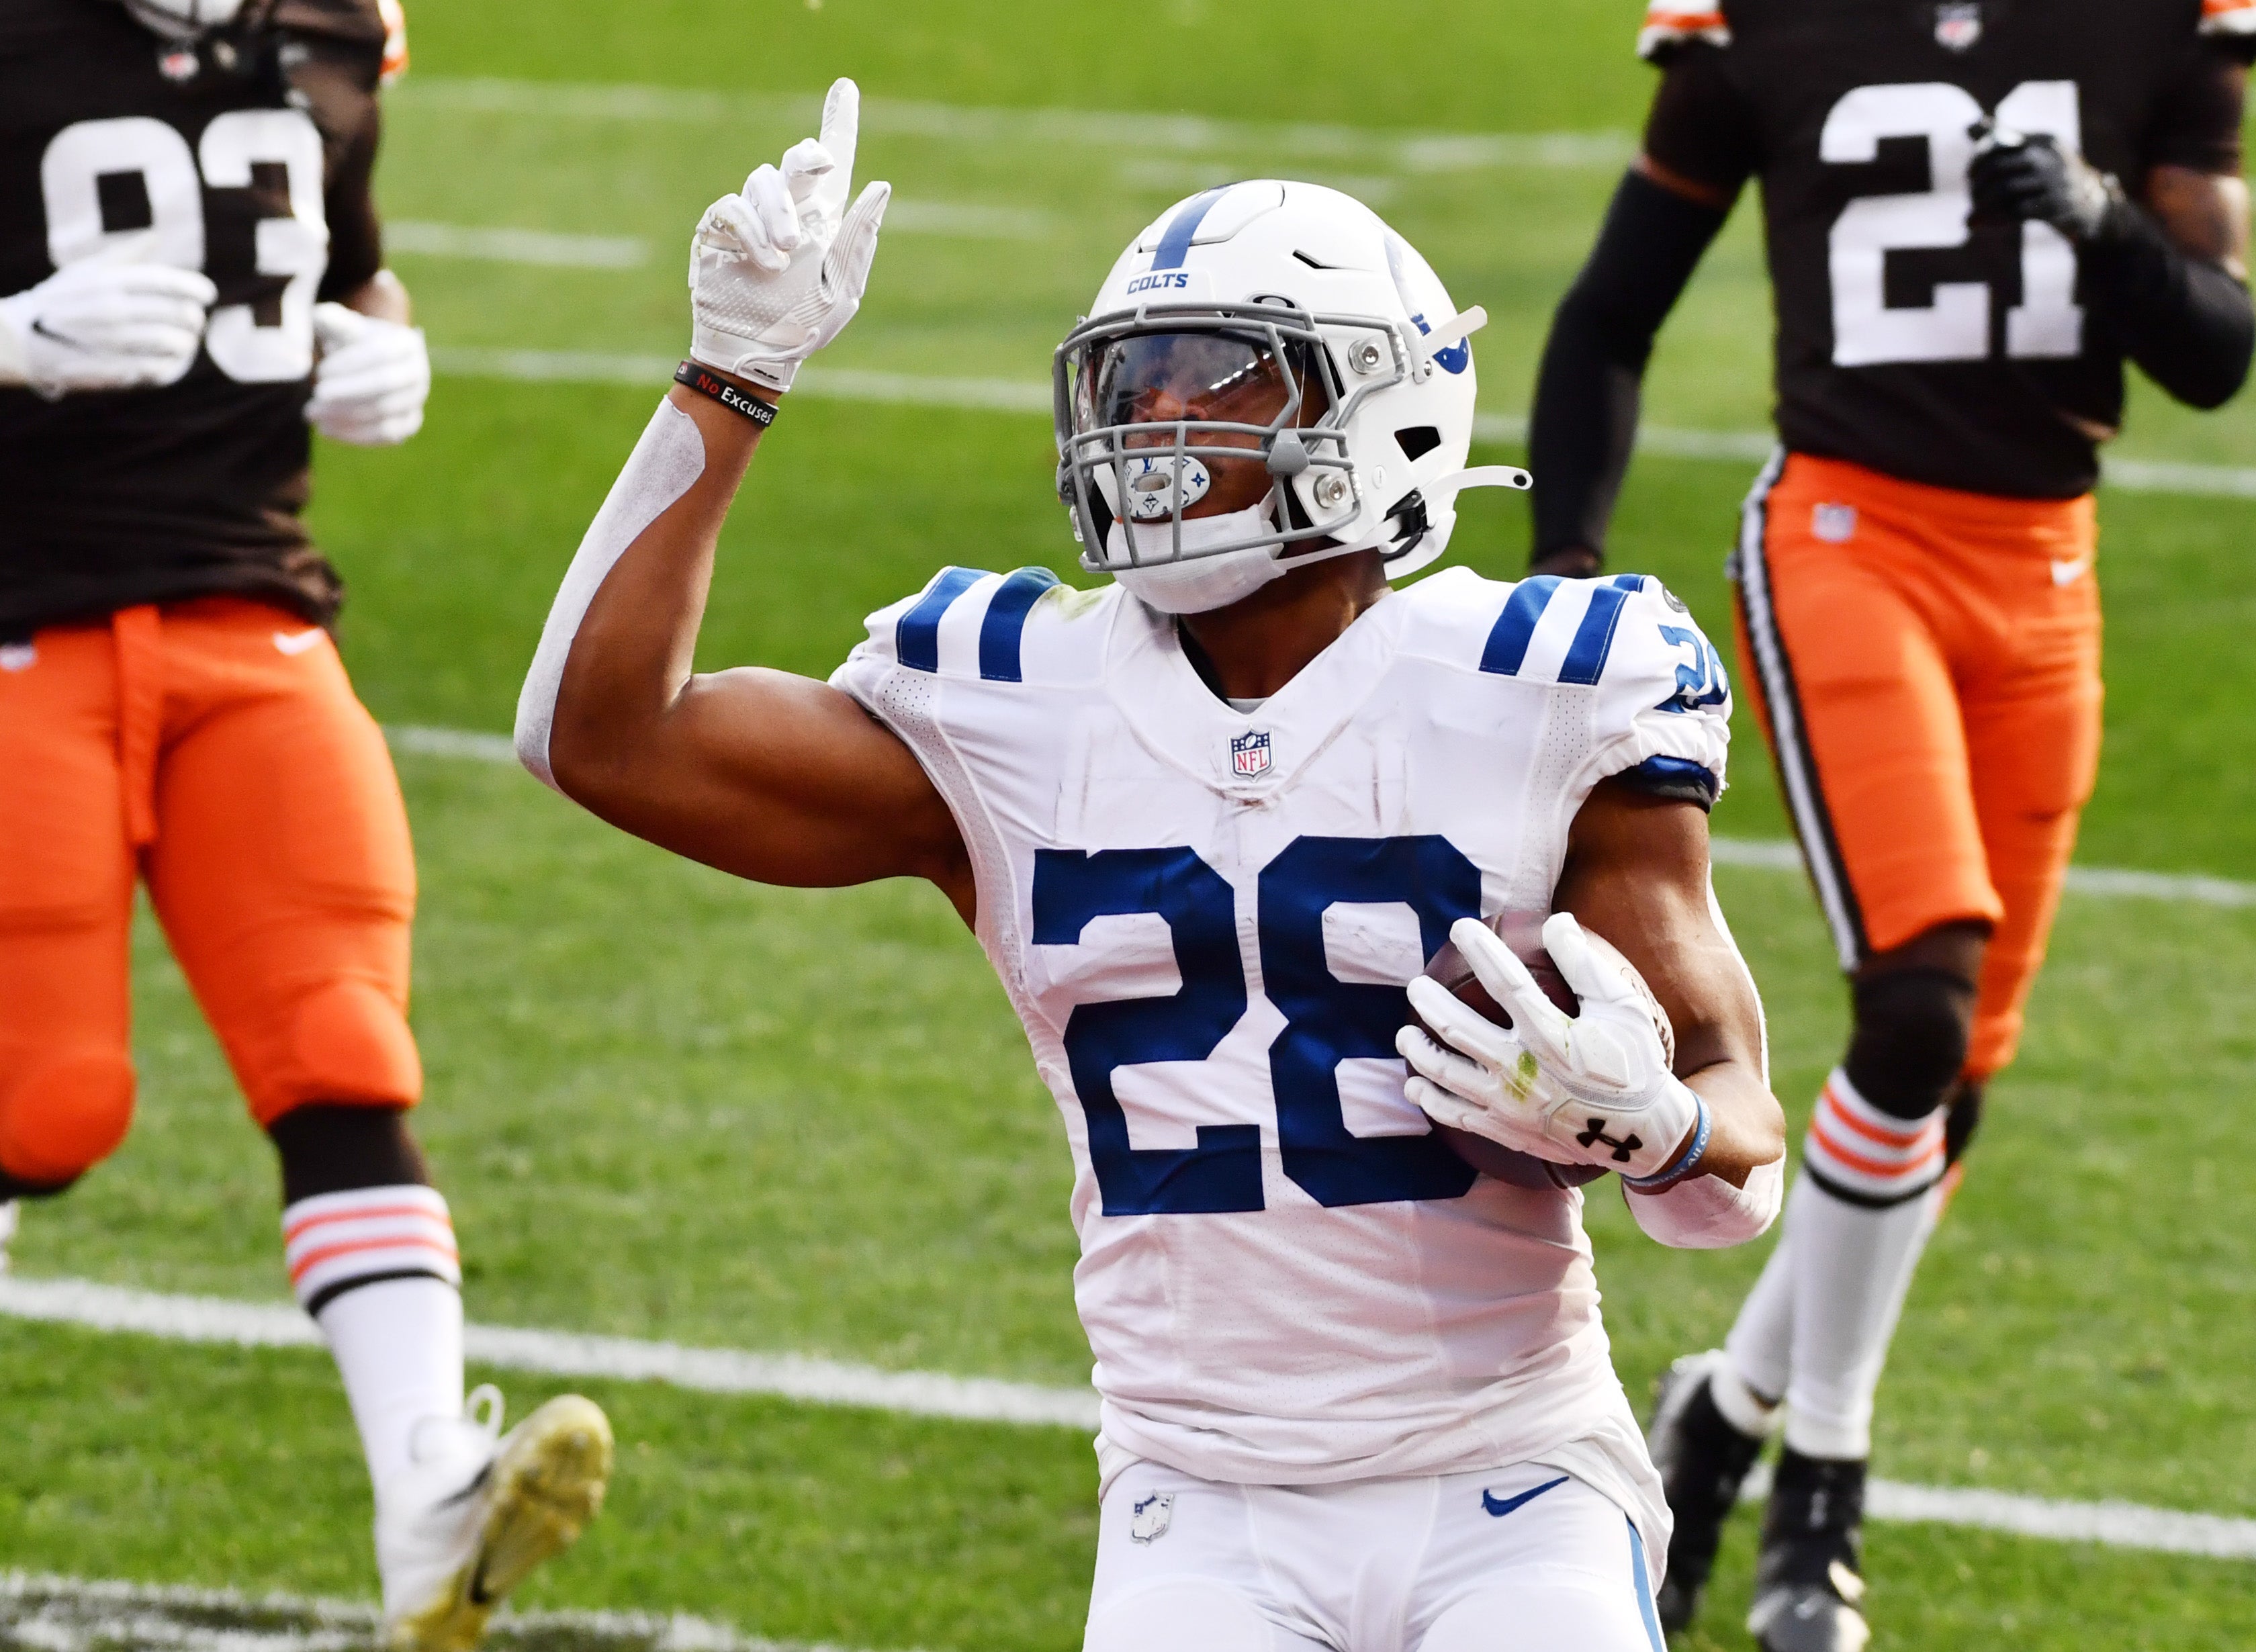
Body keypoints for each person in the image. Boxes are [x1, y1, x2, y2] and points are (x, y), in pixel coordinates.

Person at [518, 80, 1789, 1652]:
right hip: (1200, 1501)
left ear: (1381, 415)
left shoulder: (1540, 688)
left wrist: (1661, 1126)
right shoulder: (1013, 700)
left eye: (1215, 381)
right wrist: (732, 376)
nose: (1154, 426)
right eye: (1137, 379)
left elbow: (1735, 1167)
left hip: (1514, 1479)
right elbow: (602, 739)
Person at [1523, 0, 2256, 1644]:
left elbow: (2216, 350)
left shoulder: (2161, 27)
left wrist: (2100, 224)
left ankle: (1724, 1411)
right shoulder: (1764, 27)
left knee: (1957, 1081)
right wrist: (1563, 580)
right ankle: (1826, 1479)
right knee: (1920, 1004)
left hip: (2049, 576)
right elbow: (1610, 315)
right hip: (1847, 542)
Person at [0, 1, 609, 1644]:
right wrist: (11, 335)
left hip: (252, 618)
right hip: (16, 625)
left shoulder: (334, 31)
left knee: (342, 1046)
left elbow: (351, 264)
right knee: (39, 1101)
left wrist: (384, 338)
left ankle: (427, 1505)